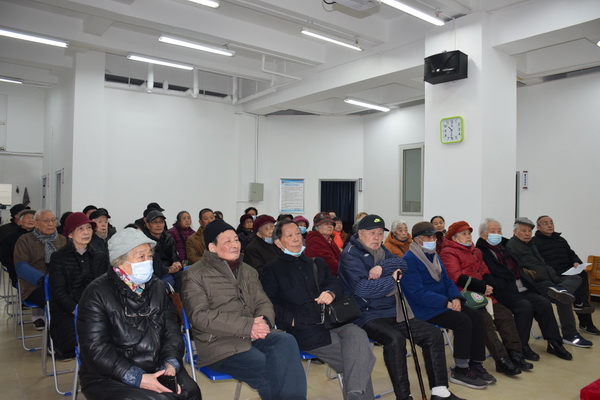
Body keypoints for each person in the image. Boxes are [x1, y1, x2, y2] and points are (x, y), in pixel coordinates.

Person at [338, 215, 464, 400]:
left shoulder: (381, 250)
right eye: (372, 233)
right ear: (360, 234)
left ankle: (440, 392)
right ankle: (404, 396)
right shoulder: (350, 255)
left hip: (393, 310)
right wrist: (392, 279)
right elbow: (364, 289)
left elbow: (402, 264)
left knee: (433, 335)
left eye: (380, 233)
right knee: (395, 340)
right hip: (366, 314)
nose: (377, 237)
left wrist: (381, 268)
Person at [181, 219, 306, 400]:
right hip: (220, 344)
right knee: (270, 371)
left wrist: (263, 322)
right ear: (212, 247)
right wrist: (248, 326)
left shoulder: (248, 271)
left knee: (286, 342)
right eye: (228, 241)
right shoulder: (194, 275)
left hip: (253, 336)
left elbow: (263, 302)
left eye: (236, 240)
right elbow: (200, 316)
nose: (235, 245)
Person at [77, 228, 201, 400]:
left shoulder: (157, 287)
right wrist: (137, 377)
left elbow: (171, 331)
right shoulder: (97, 293)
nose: (148, 261)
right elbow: (96, 349)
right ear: (120, 261)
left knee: (191, 392)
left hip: (157, 364)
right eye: (141, 257)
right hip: (110, 375)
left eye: (150, 256)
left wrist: (170, 363)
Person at [262, 220, 375, 400]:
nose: (296, 238)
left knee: (357, 334)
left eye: (298, 234)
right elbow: (268, 303)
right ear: (278, 242)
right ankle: (356, 394)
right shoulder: (271, 269)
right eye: (289, 235)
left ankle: (354, 393)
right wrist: (292, 320)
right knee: (360, 359)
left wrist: (330, 292)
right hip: (307, 329)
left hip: (334, 320)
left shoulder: (315, 262)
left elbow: (335, 284)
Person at [401, 221, 492, 390]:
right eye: (427, 237)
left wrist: (456, 298)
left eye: (433, 237)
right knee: (463, 321)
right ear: (416, 239)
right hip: (424, 309)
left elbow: (448, 281)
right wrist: (445, 302)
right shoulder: (409, 260)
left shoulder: (434, 255)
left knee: (476, 317)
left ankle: (475, 363)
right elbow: (416, 293)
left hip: (444, 303)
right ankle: (460, 369)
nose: (432, 240)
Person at [477, 218, 572, 361]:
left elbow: (518, 267)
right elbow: (491, 275)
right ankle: (521, 346)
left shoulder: (505, 247)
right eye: (493, 231)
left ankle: (554, 343)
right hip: (503, 291)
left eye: (499, 231)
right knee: (524, 306)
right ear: (483, 234)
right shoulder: (481, 251)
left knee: (544, 303)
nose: (497, 234)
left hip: (521, 287)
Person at [440, 221, 526, 376]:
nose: (468, 236)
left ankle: (515, 353)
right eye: (464, 234)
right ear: (454, 238)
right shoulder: (448, 253)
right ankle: (501, 360)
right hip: (465, 295)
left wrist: (489, 285)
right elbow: (456, 277)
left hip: (483, 294)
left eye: (469, 233)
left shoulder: (476, 251)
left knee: (505, 314)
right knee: (484, 320)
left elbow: (485, 270)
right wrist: (483, 287)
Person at [506, 217, 593, 350]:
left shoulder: (530, 244)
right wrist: (528, 273)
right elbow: (514, 267)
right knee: (564, 298)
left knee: (577, 278)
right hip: (538, 283)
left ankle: (561, 289)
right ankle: (570, 334)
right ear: (515, 232)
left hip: (552, 279)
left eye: (529, 231)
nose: (527, 233)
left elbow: (544, 262)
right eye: (523, 231)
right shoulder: (512, 246)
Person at [48, 212, 108, 359]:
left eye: (89, 228)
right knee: (80, 339)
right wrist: (76, 309)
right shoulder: (58, 257)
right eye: (80, 229)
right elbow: (58, 292)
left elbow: (104, 287)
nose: (86, 232)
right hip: (68, 310)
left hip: (95, 309)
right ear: (70, 234)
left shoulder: (100, 256)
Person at [532, 215, 600, 335]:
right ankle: (582, 314)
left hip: (568, 271)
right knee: (570, 292)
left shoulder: (561, 240)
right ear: (538, 227)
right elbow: (537, 263)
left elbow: (571, 254)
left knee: (582, 274)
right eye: (545, 223)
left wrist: (576, 262)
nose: (550, 225)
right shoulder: (534, 242)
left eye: (551, 222)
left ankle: (582, 311)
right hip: (553, 274)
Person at [13, 209, 67, 329]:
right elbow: (21, 267)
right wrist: (44, 279)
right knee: (57, 300)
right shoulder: (25, 240)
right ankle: (55, 334)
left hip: (60, 283)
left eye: (53, 220)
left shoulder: (62, 240)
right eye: (46, 221)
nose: (51, 224)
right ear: (36, 223)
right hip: (34, 285)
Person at [144, 210, 182, 291]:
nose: (158, 225)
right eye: (155, 222)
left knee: (183, 276)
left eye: (161, 222)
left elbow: (174, 255)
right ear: (147, 225)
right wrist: (167, 270)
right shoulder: (144, 242)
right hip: (153, 272)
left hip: (170, 269)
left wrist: (176, 263)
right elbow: (150, 263)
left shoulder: (168, 238)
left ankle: (178, 298)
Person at [0, 209, 36, 288]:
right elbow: (5, 258)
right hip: (18, 272)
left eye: (33, 218)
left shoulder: (41, 236)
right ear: (20, 221)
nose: (31, 220)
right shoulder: (11, 237)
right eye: (28, 218)